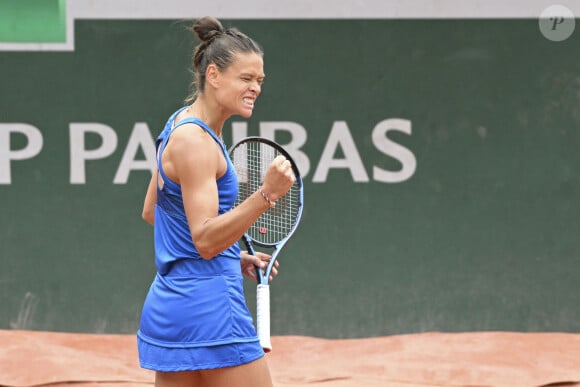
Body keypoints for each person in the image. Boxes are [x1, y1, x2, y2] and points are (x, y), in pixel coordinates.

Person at [137, 16, 295, 387]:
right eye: (246, 78)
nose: (255, 87)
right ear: (213, 75)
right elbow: (205, 239)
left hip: (172, 309)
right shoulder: (196, 143)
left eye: (259, 80)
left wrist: (231, 254)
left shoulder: (179, 124)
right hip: (211, 312)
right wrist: (267, 194)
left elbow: (151, 212)